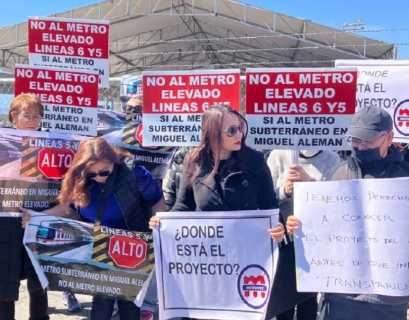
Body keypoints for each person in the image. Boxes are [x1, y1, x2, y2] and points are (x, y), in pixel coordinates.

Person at [287, 106, 409, 320]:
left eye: (368, 140)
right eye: (355, 140)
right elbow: (323, 225)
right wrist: (299, 225)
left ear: (389, 138)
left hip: (389, 299)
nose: (360, 146)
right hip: (339, 296)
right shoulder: (339, 173)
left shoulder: (404, 177)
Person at [23, 137, 163, 320]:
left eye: (104, 172)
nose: (98, 177)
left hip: (132, 245)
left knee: (129, 303)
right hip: (99, 245)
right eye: (92, 174)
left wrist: (157, 220)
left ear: (113, 161)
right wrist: (38, 216)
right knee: (102, 300)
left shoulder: (133, 172)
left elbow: (156, 201)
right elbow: (70, 208)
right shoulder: (80, 178)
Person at [151, 104, 285, 238]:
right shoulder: (194, 161)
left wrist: (276, 225)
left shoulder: (255, 161)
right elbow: (184, 204)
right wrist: (163, 222)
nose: (239, 134)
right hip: (208, 247)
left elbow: (268, 204)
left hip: (245, 244)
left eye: (241, 127)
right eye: (232, 130)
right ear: (212, 132)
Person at [266, 149, 341, 320]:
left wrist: (310, 184)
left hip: (315, 243)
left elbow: (336, 201)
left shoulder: (333, 159)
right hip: (283, 242)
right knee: (283, 301)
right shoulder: (278, 155)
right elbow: (265, 198)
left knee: (308, 302)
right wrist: (286, 190)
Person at [0, 94, 49, 320]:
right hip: (6, 218)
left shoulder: (50, 143)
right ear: (14, 117)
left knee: (38, 277)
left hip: (38, 215)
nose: (32, 120)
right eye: (27, 115)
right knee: (5, 278)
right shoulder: (2, 140)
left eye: (36, 116)